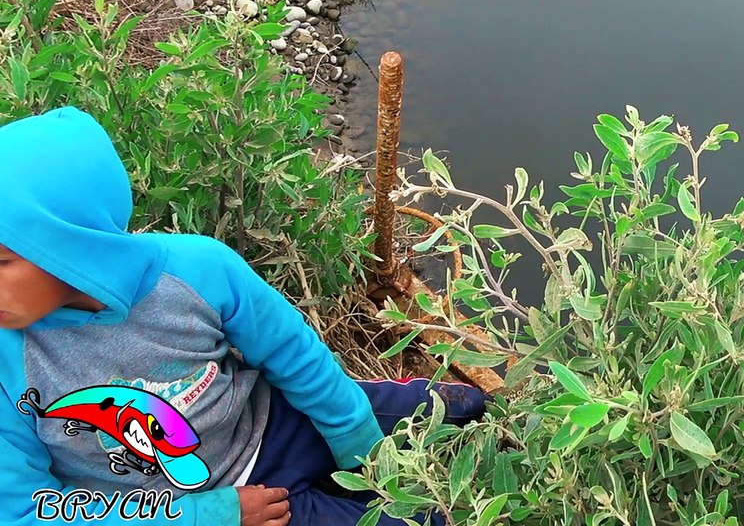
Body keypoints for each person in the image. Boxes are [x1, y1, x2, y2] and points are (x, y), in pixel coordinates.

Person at [0, 106, 486, 525]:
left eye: (3, 261)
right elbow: (22, 510)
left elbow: (294, 354)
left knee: (465, 408)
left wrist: (357, 445)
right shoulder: (10, 357)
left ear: (73, 245)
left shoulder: (197, 269)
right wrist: (207, 515)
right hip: (199, 505)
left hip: (273, 421)